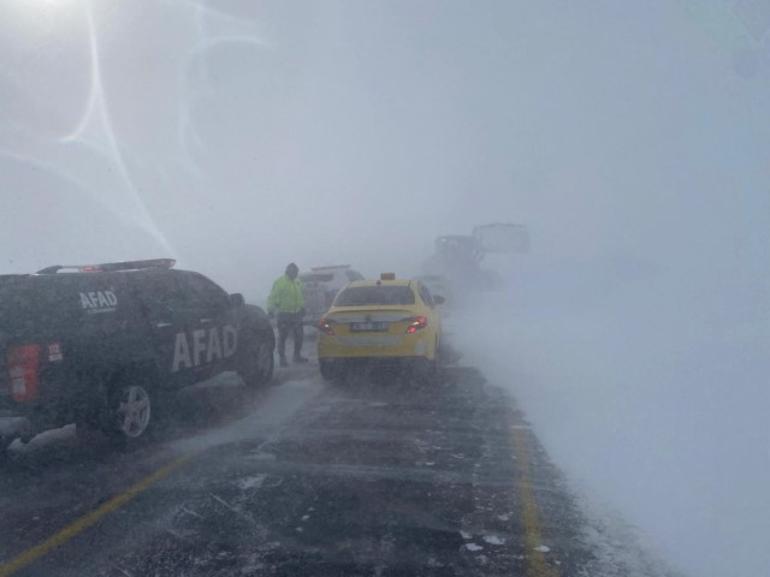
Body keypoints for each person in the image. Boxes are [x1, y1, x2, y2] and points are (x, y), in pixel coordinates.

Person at [267, 262, 307, 367]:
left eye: (296, 272)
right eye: (294, 271)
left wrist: (302, 307)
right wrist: (270, 310)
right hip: (284, 314)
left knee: (299, 336)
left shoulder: (297, 282)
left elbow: (300, 296)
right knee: (283, 337)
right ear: (288, 271)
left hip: (297, 314)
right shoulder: (280, 282)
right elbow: (272, 297)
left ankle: (297, 356)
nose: (295, 273)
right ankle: (282, 358)